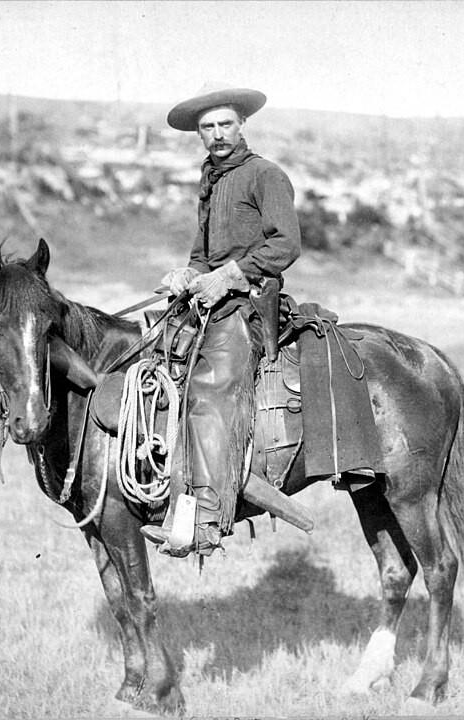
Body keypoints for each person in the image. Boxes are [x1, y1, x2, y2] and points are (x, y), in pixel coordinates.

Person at [140, 83, 301, 557]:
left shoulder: (265, 175)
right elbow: (202, 253)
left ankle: (207, 520)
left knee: (210, 390)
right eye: (207, 127)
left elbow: (286, 244)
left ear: (242, 124)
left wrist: (230, 275)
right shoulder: (211, 179)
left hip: (249, 305)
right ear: (199, 134)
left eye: (225, 124)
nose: (217, 134)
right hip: (211, 302)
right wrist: (188, 274)